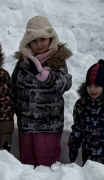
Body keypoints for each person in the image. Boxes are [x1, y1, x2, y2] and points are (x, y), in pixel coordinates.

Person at [10, 15, 73, 166]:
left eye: (42, 39)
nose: (39, 44)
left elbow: (64, 83)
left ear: (51, 39)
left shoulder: (58, 61)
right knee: (26, 162)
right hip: (26, 123)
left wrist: (44, 75)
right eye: (34, 41)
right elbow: (13, 88)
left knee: (47, 163)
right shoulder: (22, 63)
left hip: (48, 125)